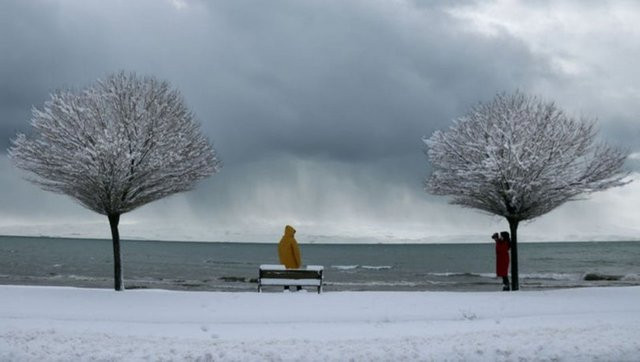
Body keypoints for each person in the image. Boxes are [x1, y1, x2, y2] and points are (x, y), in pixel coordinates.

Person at [278, 225, 302, 291]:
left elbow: (280, 254)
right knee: (297, 278)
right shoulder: (292, 240)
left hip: (284, 266)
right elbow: (296, 254)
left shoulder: (281, 241)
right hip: (293, 266)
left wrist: (282, 263)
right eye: (293, 232)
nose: (294, 234)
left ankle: (286, 290)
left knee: (286, 278)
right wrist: (298, 264)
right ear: (291, 232)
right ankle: (299, 290)